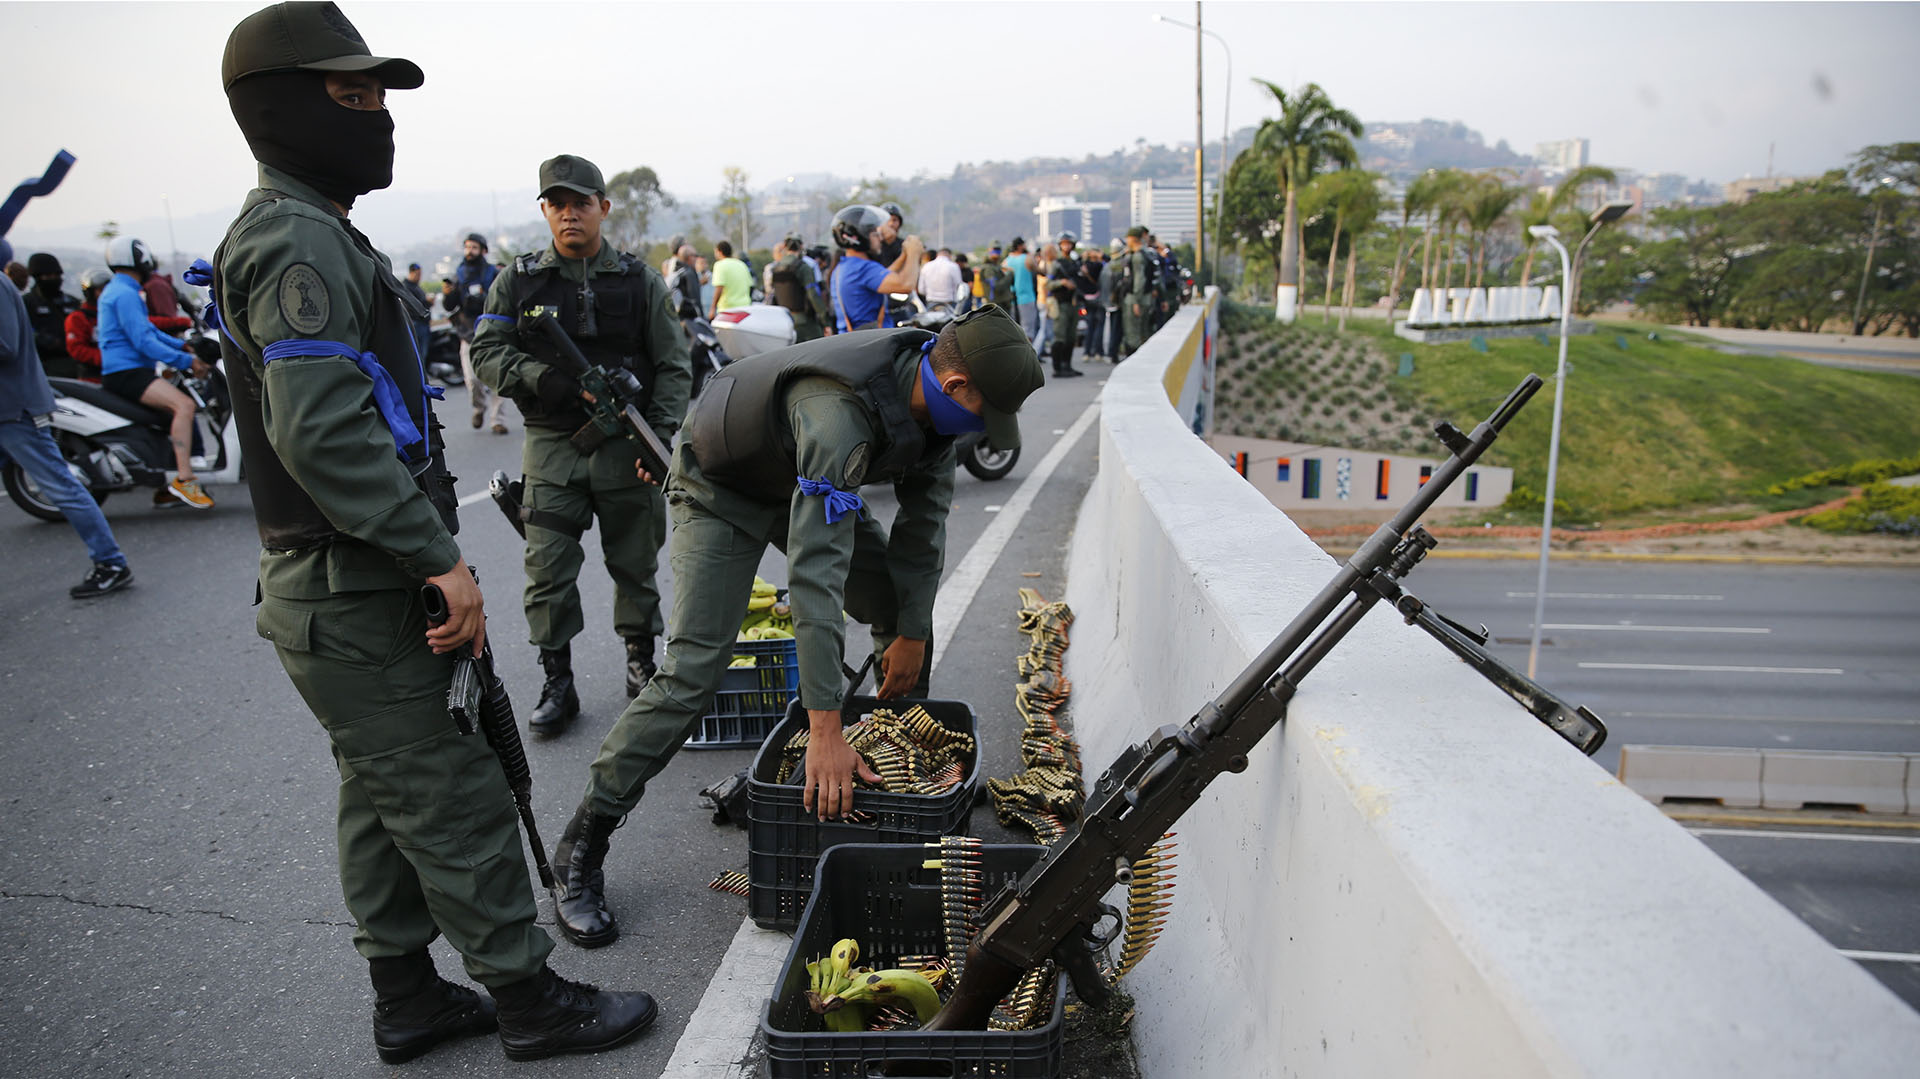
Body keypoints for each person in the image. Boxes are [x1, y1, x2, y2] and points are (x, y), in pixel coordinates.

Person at [213, 3, 657, 1062]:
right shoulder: (294, 236)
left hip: (335, 582)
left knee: (383, 794)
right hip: (357, 581)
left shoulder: (312, 226)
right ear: (280, 108)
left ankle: (406, 995)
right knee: (451, 791)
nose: (378, 120)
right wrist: (436, 556)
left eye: (378, 98)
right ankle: (529, 997)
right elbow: (321, 431)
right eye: (352, 97)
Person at [547, 303, 1045, 948]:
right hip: (719, 492)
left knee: (897, 613)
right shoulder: (842, 419)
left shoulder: (934, 415)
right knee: (694, 670)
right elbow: (818, 578)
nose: (986, 430)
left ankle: (909, 781)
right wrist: (825, 729)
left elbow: (923, 535)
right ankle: (583, 844)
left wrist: (913, 633)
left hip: (801, 479)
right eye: (986, 414)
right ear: (954, 388)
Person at [470, 154, 691, 733]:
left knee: (636, 564)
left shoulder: (640, 280)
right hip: (552, 447)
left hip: (628, 446)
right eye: (557, 204)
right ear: (545, 211)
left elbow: (673, 365)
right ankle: (557, 680)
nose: (569, 214)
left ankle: (640, 662)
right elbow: (487, 353)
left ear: (603, 208)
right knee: (546, 569)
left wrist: (657, 435)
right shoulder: (517, 280)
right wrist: (545, 379)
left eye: (581, 203)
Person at [0, 238, 134, 598]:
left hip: (14, 409)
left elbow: (5, 345)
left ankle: (111, 562)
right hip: (12, 406)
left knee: (61, 485)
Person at [98, 236, 213, 508]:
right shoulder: (125, 294)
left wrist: (183, 346)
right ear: (139, 259)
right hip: (128, 371)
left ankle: (166, 487)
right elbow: (143, 341)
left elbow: (148, 330)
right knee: (184, 406)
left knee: (166, 418)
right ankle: (185, 480)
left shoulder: (120, 290)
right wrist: (186, 361)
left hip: (128, 369)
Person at [828, 203, 921, 333]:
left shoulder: (845, 266)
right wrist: (913, 253)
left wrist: (903, 256)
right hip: (874, 343)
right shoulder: (862, 268)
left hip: (855, 341)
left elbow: (883, 276)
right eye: (874, 234)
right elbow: (905, 285)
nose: (879, 239)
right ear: (861, 238)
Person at [454, 232, 506, 433]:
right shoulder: (459, 275)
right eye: (467, 247)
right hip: (467, 333)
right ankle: (479, 407)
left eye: (474, 247)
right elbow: (452, 305)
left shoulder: (493, 274)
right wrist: (450, 294)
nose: (470, 251)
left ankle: (497, 420)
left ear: (483, 250)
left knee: (497, 378)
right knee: (472, 381)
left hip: (492, 331)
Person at [23, 253, 81, 378]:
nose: (54, 278)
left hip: (75, 365)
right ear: (38, 277)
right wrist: (49, 342)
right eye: (48, 276)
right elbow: (24, 333)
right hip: (43, 367)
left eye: (57, 275)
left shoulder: (73, 303)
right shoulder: (27, 303)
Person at [768, 234, 832, 342]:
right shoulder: (803, 267)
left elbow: (774, 295)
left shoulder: (775, 268)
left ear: (784, 246)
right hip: (805, 323)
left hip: (784, 321)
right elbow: (813, 295)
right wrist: (826, 322)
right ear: (801, 246)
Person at [63, 267, 112, 382]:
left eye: (108, 290)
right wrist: (107, 358)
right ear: (90, 291)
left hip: (119, 372)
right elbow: (77, 349)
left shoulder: (115, 314)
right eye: (101, 290)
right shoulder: (78, 318)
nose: (105, 294)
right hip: (92, 377)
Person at [1119, 226, 1156, 360]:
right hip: (1145, 298)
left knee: (1132, 334)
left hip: (1135, 299)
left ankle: (1132, 361)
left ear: (1132, 238)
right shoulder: (1146, 253)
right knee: (1142, 332)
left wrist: (1135, 301)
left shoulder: (1138, 256)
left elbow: (1139, 280)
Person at [1044, 246, 1082, 378]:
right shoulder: (1057, 264)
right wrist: (1063, 282)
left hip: (1073, 303)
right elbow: (1048, 284)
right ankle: (1057, 368)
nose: (1067, 246)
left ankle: (1067, 365)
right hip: (1061, 304)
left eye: (1069, 243)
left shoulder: (1074, 262)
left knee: (1071, 337)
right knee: (1060, 336)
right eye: (1064, 243)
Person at [1006, 236, 1038, 346]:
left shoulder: (1007, 260)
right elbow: (1039, 270)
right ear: (1020, 246)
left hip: (1012, 298)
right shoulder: (1027, 258)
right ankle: (1029, 353)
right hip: (1027, 297)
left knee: (1014, 329)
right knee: (1028, 329)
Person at [707, 239, 752, 318]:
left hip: (728, 310)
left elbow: (719, 288)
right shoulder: (741, 264)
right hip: (745, 308)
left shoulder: (720, 265)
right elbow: (749, 285)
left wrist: (713, 308)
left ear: (719, 252)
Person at [1077, 249, 1106, 362]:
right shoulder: (1099, 266)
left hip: (1087, 299)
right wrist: (1101, 254)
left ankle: (1087, 352)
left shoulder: (1083, 267)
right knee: (1099, 326)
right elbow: (1108, 260)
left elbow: (1076, 263)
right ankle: (1098, 351)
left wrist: (1084, 256)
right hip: (1098, 299)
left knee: (1090, 326)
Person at [918, 246, 964, 313]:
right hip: (949, 303)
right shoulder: (954, 266)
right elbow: (959, 285)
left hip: (931, 303)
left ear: (937, 255)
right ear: (950, 255)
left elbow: (921, 290)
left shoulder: (926, 266)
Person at [401, 262, 430, 355]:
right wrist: (427, 302)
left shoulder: (416, 286)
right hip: (416, 324)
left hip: (423, 324)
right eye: (417, 274)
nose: (419, 277)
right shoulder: (406, 287)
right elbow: (412, 306)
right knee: (418, 354)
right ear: (411, 273)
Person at [1103, 238, 1126, 360]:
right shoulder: (1118, 266)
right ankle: (1113, 352)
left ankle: (1112, 352)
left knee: (1114, 328)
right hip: (1117, 302)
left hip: (1110, 302)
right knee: (1116, 329)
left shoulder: (1108, 266)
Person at [978, 241, 1015, 311]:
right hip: (997, 305)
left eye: (998, 250)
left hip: (1003, 304)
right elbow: (996, 286)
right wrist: (1009, 275)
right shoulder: (988, 268)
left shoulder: (997, 266)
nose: (996, 252)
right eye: (994, 249)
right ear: (989, 251)